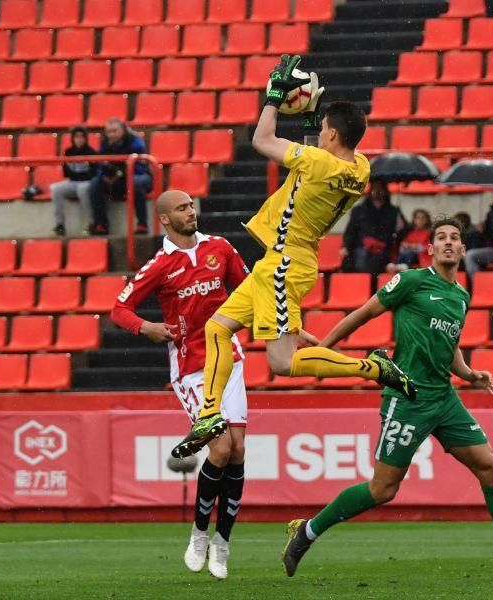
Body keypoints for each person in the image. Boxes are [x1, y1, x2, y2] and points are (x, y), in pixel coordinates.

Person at [280, 217, 493, 581]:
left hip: (444, 398)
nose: (448, 243)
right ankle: (306, 531)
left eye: (455, 239)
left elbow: (450, 349)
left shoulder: (461, 296)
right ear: (430, 248)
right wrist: (323, 351)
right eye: (441, 238)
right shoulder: (411, 281)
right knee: (382, 489)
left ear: (463, 249)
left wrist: (469, 373)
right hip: (407, 396)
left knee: (490, 467)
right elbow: (364, 313)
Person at [170, 55, 415, 460]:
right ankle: (210, 414)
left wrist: (272, 99)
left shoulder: (319, 161)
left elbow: (262, 141)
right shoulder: (360, 168)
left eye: (322, 129)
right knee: (217, 328)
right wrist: (307, 124)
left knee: (282, 362)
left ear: (333, 134)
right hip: (288, 260)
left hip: (285, 263)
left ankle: (372, 368)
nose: (318, 134)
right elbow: (312, 168)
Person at [110, 190, 250, 580]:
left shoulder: (219, 248)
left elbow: (249, 290)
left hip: (231, 359)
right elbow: (119, 309)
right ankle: (199, 533)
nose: (192, 212)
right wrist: (148, 327)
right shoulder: (159, 265)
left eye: (192, 205)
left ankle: (223, 544)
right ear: (165, 220)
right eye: (182, 208)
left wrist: (285, 327)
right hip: (191, 366)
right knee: (219, 447)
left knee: (237, 450)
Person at [89, 118, 153, 236]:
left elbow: (141, 166)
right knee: (95, 184)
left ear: (123, 130)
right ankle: (101, 225)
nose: (111, 135)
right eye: (109, 132)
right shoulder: (104, 144)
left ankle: (142, 224)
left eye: (115, 131)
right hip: (115, 180)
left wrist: (120, 174)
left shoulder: (135, 142)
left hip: (138, 176)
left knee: (136, 183)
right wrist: (104, 175)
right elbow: (100, 164)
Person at [341, 180, 405, 276]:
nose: (377, 191)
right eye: (375, 188)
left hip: (384, 250)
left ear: (385, 191)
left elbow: (403, 233)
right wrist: (345, 246)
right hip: (361, 248)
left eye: (380, 188)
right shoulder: (359, 210)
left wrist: (402, 228)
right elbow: (350, 231)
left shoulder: (394, 211)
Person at [50, 125, 97, 237]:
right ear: (72, 138)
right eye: (76, 137)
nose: (79, 139)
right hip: (73, 181)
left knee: (82, 189)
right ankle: (60, 224)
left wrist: (79, 175)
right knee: (55, 188)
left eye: (82, 137)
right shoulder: (68, 152)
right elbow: (66, 173)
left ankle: (90, 223)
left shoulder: (91, 152)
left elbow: (92, 174)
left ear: (86, 138)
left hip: (86, 182)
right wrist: (78, 175)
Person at [387, 208, 432, 273]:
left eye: (423, 218)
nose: (420, 220)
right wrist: (405, 245)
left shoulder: (429, 233)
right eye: (418, 218)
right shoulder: (411, 233)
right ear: (414, 220)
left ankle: (405, 265)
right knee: (404, 254)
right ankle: (394, 264)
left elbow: (429, 246)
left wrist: (417, 247)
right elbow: (405, 243)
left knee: (411, 254)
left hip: (420, 257)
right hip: (408, 253)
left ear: (427, 220)